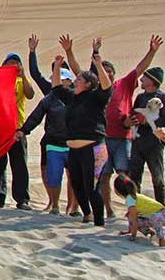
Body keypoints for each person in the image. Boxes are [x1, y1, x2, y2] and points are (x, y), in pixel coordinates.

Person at [63, 34, 162, 217]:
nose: (106, 73)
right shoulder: (94, 91)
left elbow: (140, 69)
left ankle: (133, 210)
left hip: (122, 139)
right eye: (103, 70)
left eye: (109, 71)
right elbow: (77, 71)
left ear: (113, 74)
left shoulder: (123, 84)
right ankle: (109, 211)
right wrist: (69, 51)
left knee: (125, 175)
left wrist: (152, 51)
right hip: (102, 140)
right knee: (103, 176)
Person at [49, 50, 112, 226]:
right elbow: (56, 88)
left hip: (93, 148)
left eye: (79, 79)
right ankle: (87, 214)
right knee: (77, 185)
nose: (75, 81)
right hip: (74, 150)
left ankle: (99, 221)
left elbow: (107, 87)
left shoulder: (96, 97)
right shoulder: (72, 97)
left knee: (92, 187)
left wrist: (98, 65)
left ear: (88, 84)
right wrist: (57, 67)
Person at [0, 18, 34, 210]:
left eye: (16, 63)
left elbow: (30, 94)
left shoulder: (21, 81)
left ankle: (22, 199)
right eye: (10, 62)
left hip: (17, 128)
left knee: (20, 165)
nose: (13, 65)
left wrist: (23, 75)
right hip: (0, 128)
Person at [16, 66, 76, 215]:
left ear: (69, 81)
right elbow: (36, 116)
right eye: (56, 80)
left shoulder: (77, 97)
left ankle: (72, 207)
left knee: (74, 177)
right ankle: (54, 205)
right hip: (53, 143)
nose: (59, 82)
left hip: (73, 144)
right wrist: (23, 130)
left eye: (63, 80)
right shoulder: (49, 98)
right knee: (53, 175)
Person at [128, 65, 165, 205]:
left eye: (145, 77)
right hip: (138, 143)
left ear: (152, 81)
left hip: (154, 143)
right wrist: (130, 120)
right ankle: (135, 209)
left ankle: (162, 210)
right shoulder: (140, 97)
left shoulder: (162, 97)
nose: (141, 79)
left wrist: (149, 121)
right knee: (134, 179)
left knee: (158, 179)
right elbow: (133, 114)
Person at [114, 174, 165, 246]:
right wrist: (130, 230)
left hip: (161, 213)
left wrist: (133, 236)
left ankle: (161, 239)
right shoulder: (133, 196)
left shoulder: (130, 199)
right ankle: (149, 232)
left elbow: (134, 220)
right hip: (158, 214)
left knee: (155, 218)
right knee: (130, 215)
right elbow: (131, 218)